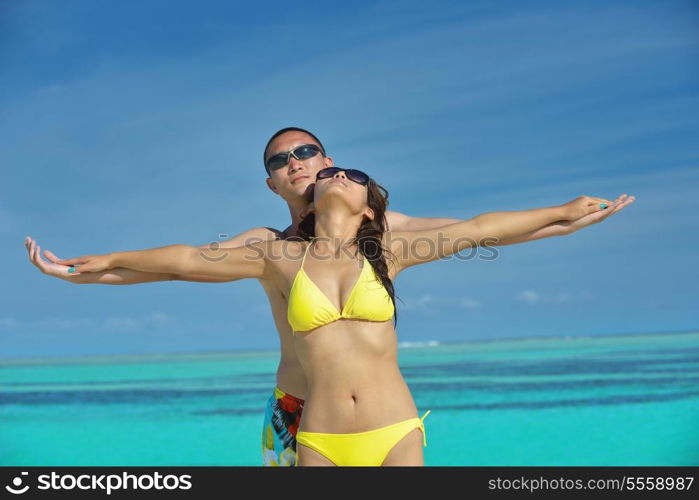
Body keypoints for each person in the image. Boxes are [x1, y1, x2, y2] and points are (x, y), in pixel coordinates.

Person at [24, 126, 630, 466]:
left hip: (383, 416)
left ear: (331, 164)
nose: (296, 162)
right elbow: (184, 265)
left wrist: (561, 217)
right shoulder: (267, 245)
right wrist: (92, 269)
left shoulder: (385, 236)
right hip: (298, 412)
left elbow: (479, 227)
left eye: (307, 152)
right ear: (271, 181)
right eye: (281, 160)